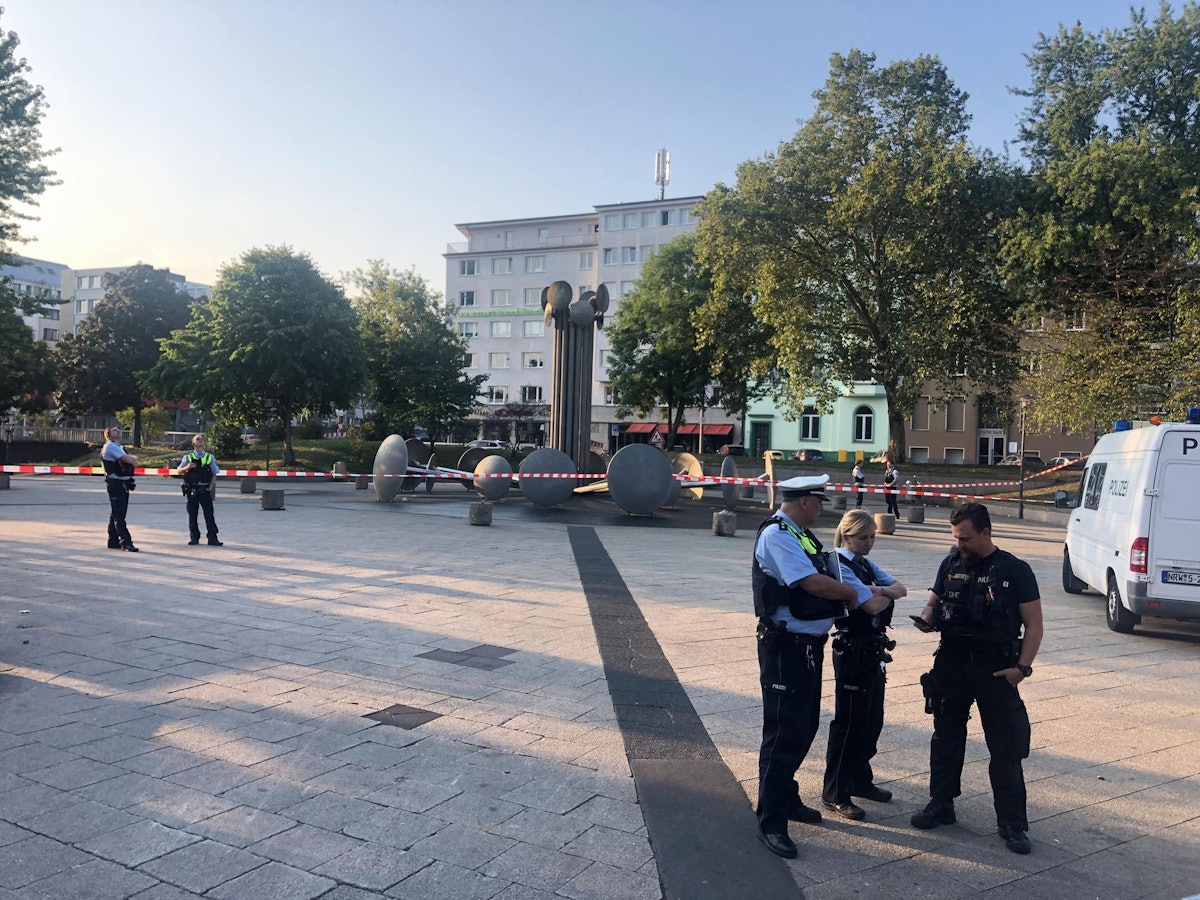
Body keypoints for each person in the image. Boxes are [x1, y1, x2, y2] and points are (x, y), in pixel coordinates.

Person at [752, 474, 891, 859]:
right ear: (805, 502)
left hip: (807, 647)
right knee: (784, 733)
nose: (823, 506)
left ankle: (785, 797)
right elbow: (812, 583)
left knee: (803, 726)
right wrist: (854, 595)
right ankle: (771, 820)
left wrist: (854, 592)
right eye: (819, 500)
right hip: (787, 649)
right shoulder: (778, 535)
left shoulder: (800, 533)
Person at [910, 502, 1043, 855]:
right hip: (951, 662)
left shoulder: (1015, 570)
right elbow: (934, 600)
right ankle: (942, 803)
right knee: (946, 735)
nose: (959, 545)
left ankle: (1012, 823)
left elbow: (1034, 625)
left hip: (995, 668)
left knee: (1005, 747)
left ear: (986, 532)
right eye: (955, 538)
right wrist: (926, 618)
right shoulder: (951, 562)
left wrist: (1022, 669)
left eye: (966, 538)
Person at [821, 509, 908, 820]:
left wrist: (882, 591)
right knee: (848, 723)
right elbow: (870, 606)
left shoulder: (865, 564)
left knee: (872, 720)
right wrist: (883, 596)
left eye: (872, 537)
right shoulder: (841, 566)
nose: (870, 542)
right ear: (848, 536)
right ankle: (835, 792)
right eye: (863, 537)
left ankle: (860, 779)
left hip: (873, 649)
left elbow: (901, 588)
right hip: (852, 649)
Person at [175, 433, 223, 546]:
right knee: (192, 516)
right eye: (197, 439)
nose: (200, 440)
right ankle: (194, 538)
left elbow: (214, 473)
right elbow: (178, 471)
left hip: (204, 489)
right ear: (193, 443)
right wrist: (187, 467)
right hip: (192, 490)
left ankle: (212, 538)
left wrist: (210, 487)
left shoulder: (210, 457)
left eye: (202, 439)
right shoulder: (188, 457)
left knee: (209, 515)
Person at [101, 425, 139, 552]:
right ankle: (126, 542)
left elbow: (133, 461)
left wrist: (133, 460)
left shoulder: (118, 447)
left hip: (123, 483)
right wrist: (132, 459)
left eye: (118, 429)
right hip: (116, 484)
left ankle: (112, 540)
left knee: (116, 513)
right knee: (119, 515)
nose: (118, 431)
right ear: (108, 434)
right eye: (114, 430)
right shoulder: (110, 446)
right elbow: (129, 460)